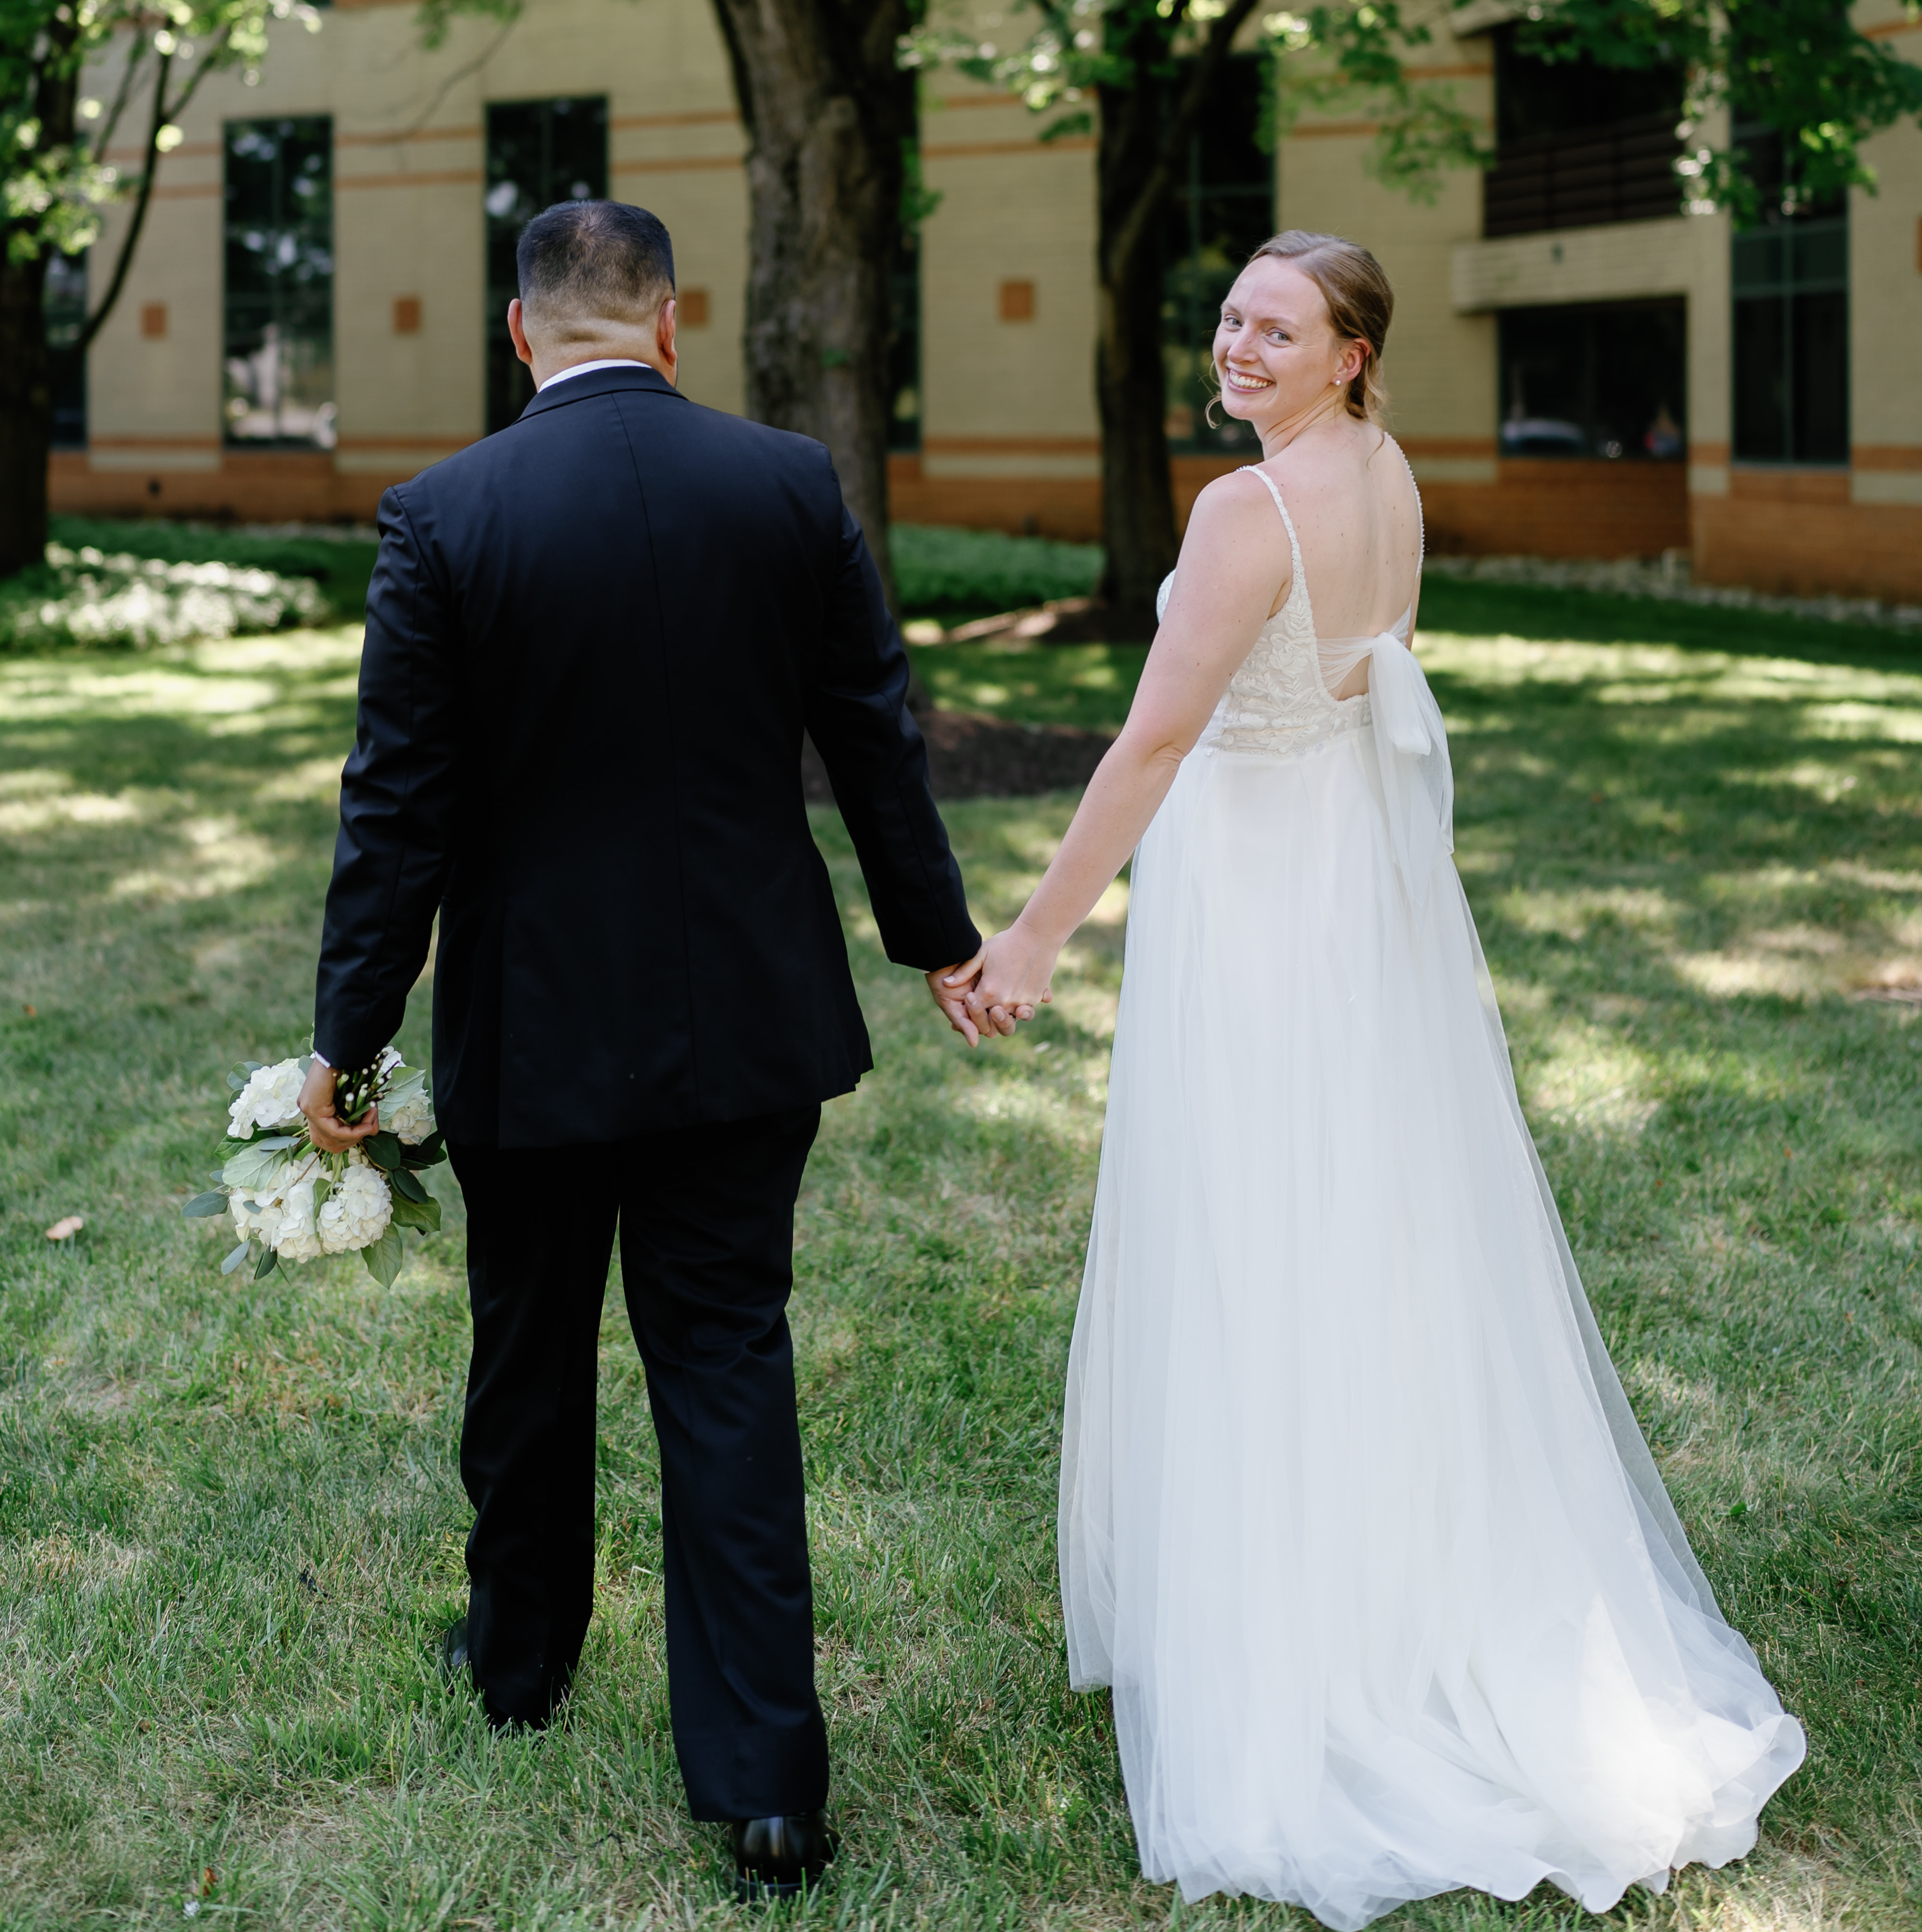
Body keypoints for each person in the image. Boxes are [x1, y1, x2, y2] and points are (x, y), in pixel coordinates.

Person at [946, 230, 1803, 1930]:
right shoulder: (1384, 472)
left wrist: (1037, 935)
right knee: (1376, 1236)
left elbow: (1156, 740)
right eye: (1231, 317)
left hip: (1268, 913)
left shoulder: (1239, 512)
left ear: (1352, 351)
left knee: (1266, 1240)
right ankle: (1396, 1590)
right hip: (1350, 894)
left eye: (1282, 327)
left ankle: (1307, 1651)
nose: (1241, 343)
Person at [299, 199, 980, 1902]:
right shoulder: (790, 487)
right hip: (749, 1022)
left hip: (534, 1028)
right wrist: (938, 941)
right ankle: (764, 1779)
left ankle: (519, 1664)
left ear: (518, 334)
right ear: (672, 326)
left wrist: (349, 1040)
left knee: (528, 1353)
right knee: (727, 1364)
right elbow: (877, 744)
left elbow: (398, 812)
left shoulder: (443, 515)